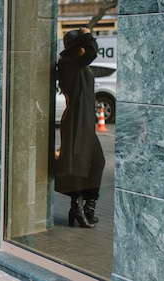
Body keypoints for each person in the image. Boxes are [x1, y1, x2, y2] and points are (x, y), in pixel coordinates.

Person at [55, 27, 105, 229]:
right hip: (75, 122)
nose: (86, 48)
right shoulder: (67, 64)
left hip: (85, 121)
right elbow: (92, 52)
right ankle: (77, 206)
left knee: (98, 162)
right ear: (78, 47)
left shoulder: (77, 64)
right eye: (83, 45)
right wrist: (87, 35)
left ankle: (88, 207)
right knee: (77, 167)